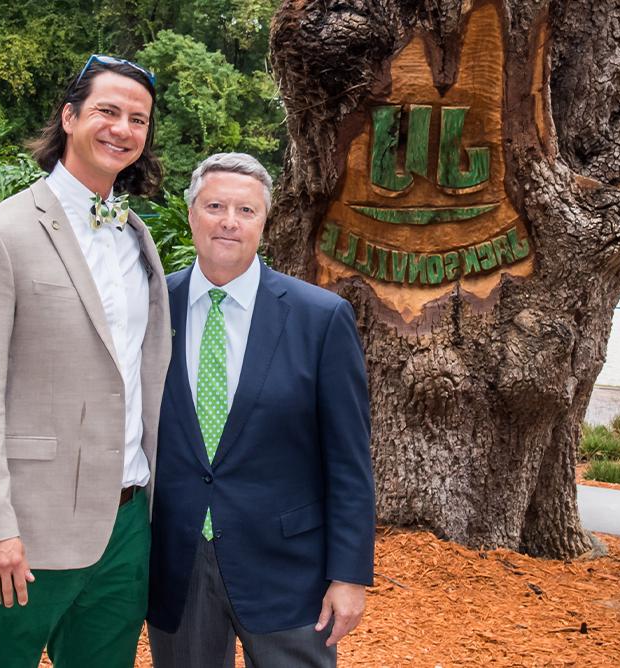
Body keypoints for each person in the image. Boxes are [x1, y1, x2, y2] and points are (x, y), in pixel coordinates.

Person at [0, 54, 171, 667]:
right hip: (28, 527)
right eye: (107, 111)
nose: (122, 128)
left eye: (138, 119)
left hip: (127, 524)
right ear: (69, 117)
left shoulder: (136, 237)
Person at [147, 153, 375, 667]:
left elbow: (349, 462)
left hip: (289, 572)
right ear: (191, 214)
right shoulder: (153, 306)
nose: (229, 221)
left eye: (246, 211)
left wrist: (350, 575)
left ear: (264, 222)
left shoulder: (321, 318)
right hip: (177, 566)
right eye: (215, 206)